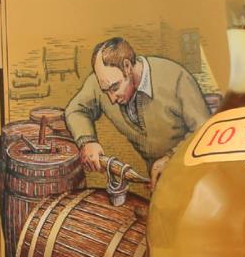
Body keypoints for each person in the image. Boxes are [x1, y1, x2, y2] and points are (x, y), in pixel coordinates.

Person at [64, 37, 211, 189]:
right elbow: (75, 109)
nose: (112, 99)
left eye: (115, 88)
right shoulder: (102, 82)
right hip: (156, 181)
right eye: (106, 91)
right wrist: (87, 141)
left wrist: (171, 158)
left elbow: (205, 130)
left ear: (127, 66)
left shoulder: (176, 78)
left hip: (194, 174)